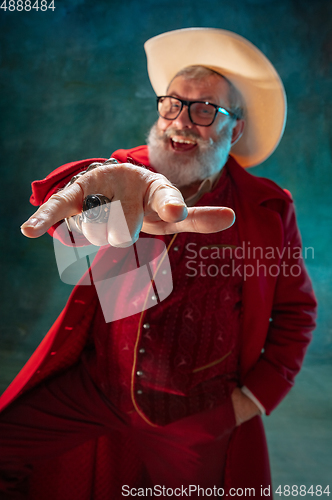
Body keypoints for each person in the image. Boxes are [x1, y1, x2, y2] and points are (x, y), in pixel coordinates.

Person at [0, 28, 317, 499]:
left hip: (196, 415)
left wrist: (249, 401)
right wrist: (92, 191)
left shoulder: (269, 210)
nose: (182, 122)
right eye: (172, 103)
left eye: (205, 109)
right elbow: (70, 205)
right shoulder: (126, 174)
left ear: (237, 129)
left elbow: (296, 312)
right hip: (95, 390)